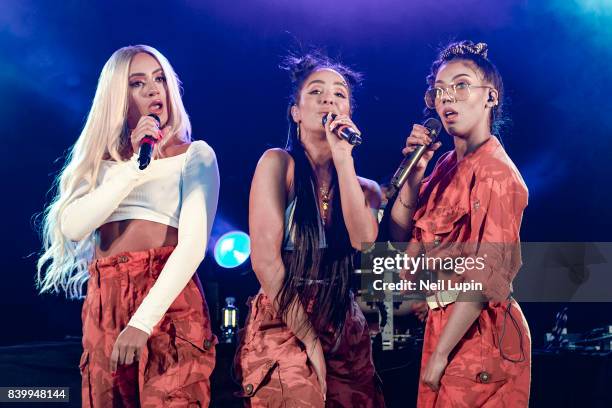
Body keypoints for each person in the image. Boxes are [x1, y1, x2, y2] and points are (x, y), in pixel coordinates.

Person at [36, 45, 220, 407]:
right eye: (138, 83)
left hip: (165, 297)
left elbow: (193, 246)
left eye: (160, 79)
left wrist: (142, 322)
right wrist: (134, 166)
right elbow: (74, 226)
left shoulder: (195, 154)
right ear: (118, 98)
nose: (154, 90)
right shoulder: (103, 164)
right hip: (105, 300)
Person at [234, 51, 385, 407]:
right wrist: (309, 340)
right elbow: (266, 262)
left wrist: (343, 158)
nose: (329, 98)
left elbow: (363, 241)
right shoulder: (277, 164)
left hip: (342, 319)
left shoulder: (366, 189)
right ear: (296, 112)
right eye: (316, 92)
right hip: (284, 315)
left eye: (339, 93)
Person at [388, 41, 531, 407]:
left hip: (480, 334)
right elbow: (401, 234)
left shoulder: (498, 174)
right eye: (439, 90)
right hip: (443, 326)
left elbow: (484, 277)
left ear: (490, 97)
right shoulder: (445, 166)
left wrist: (440, 356)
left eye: (461, 84)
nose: (447, 97)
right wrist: (416, 175)